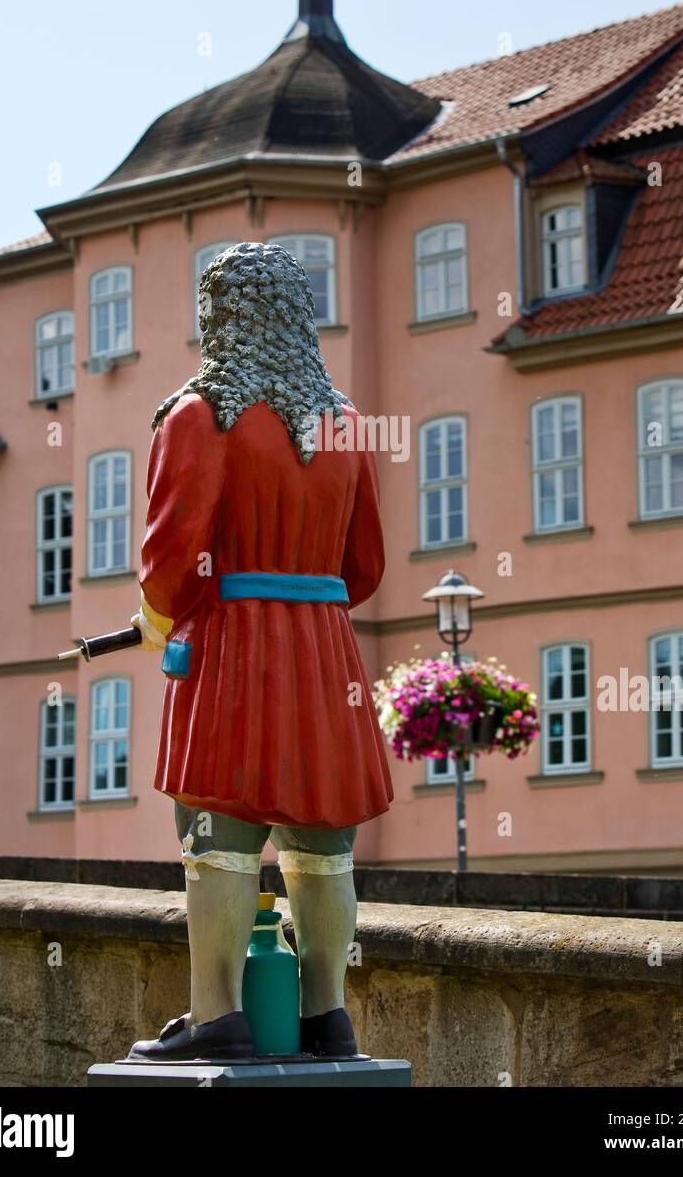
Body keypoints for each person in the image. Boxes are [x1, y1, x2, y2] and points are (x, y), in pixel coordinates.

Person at [127, 242, 392, 1062]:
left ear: (216, 316)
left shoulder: (198, 415)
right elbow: (366, 567)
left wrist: (154, 616)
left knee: (219, 837)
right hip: (323, 656)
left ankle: (218, 1016)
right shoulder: (343, 421)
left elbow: (173, 558)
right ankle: (327, 1015)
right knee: (323, 845)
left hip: (232, 653)